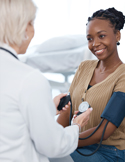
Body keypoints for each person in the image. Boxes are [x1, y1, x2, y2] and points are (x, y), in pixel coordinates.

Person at [0, 0, 93, 162]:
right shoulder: (30, 79)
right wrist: (76, 127)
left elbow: (9, 117)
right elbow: (53, 145)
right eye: (32, 23)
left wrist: (48, 107)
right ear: (24, 27)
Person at [57, 7, 125, 162]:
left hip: (110, 152)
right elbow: (68, 110)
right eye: (90, 39)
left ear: (117, 35)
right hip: (77, 144)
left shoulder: (123, 75)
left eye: (101, 36)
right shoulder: (84, 67)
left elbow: (104, 131)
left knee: (55, 157)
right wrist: (55, 137)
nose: (95, 44)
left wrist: (64, 142)